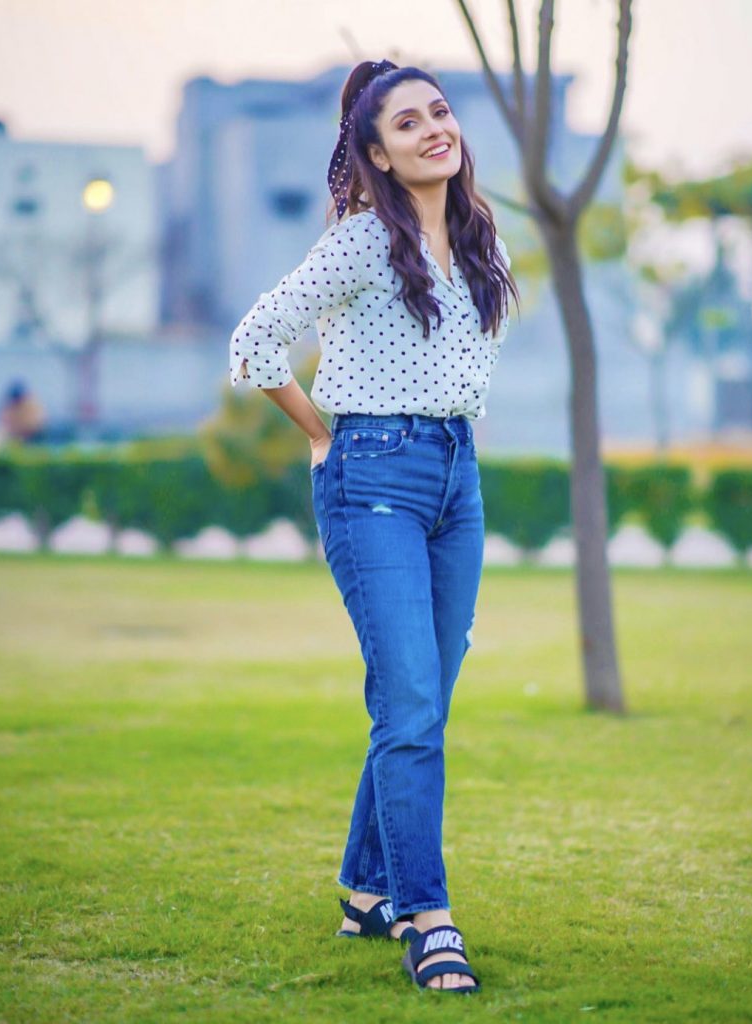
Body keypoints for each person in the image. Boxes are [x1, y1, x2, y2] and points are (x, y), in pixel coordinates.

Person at [229, 59, 519, 994]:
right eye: (408, 123)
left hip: (455, 481)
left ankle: (363, 890)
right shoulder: (361, 242)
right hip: (373, 479)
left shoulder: (485, 244)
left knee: (421, 698)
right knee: (412, 706)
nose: (435, 128)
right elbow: (255, 339)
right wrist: (320, 435)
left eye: (440, 111)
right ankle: (427, 920)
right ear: (380, 156)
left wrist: (444, 453)